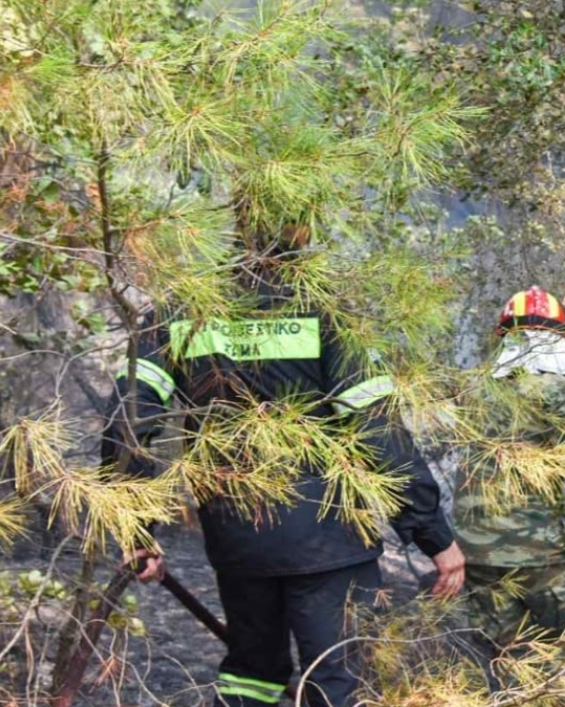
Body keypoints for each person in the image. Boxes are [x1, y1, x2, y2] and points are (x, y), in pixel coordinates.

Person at [100, 225, 465, 707]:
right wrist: (433, 537)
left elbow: (127, 421)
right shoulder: (326, 312)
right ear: (302, 228)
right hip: (330, 536)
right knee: (336, 677)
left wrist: (137, 531)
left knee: (252, 673)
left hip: (237, 534)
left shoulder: (181, 311)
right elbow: (378, 433)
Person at [453, 286, 565, 648]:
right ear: (558, 339)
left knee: (502, 655)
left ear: (504, 337)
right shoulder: (561, 391)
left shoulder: (474, 389)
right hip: (537, 553)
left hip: (475, 552)